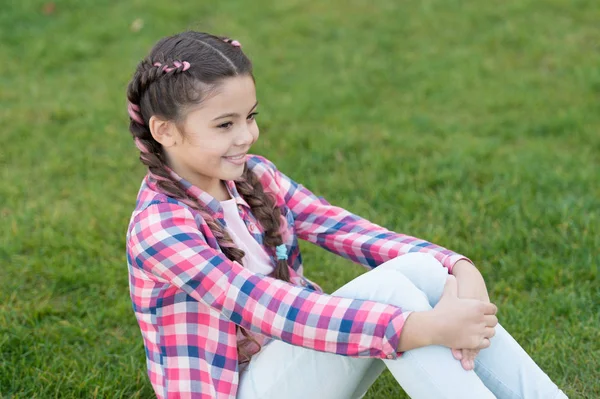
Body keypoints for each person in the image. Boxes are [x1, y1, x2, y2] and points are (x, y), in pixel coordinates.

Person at [125, 31, 567, 399]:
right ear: (165, 130)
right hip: (235, 387)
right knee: (391, 293)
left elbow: (344, 228)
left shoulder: (254, 176)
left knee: (415, 268)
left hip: (293, 364)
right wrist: (418, 328)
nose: (247, 136)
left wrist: (455, 265)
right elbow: (264, 305)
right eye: (225, 125)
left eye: (250, 117)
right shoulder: (161, 227)